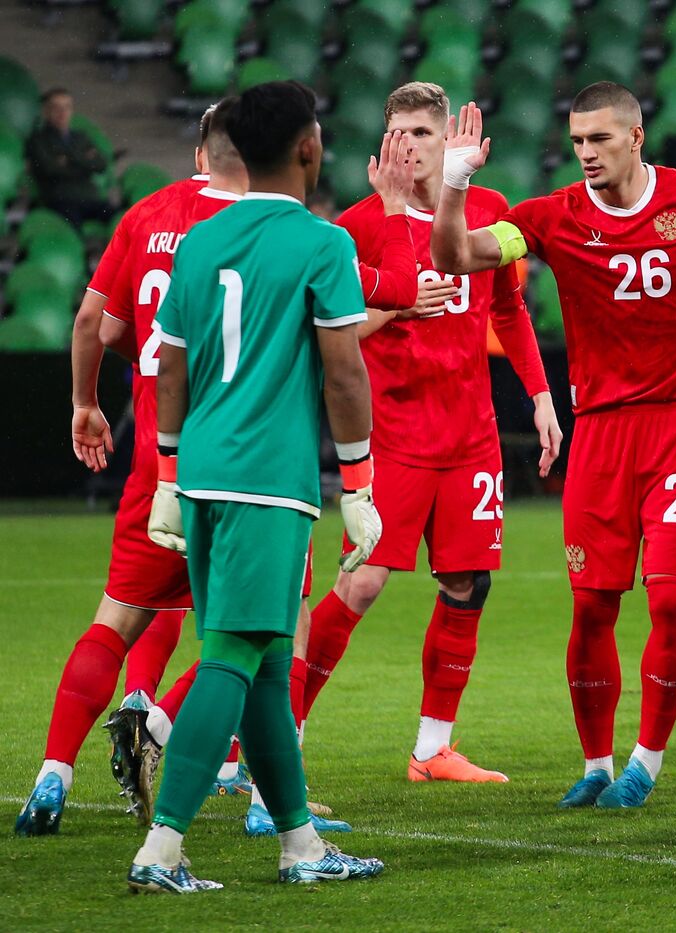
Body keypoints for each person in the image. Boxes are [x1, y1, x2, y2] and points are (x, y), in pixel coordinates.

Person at [431, 81, 676, 809]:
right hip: (600, 431)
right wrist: (453, 183)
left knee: (668, 600)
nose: (586, 154)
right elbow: (456, 256)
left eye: (599, 139)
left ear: (636, 137)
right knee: (592, 605)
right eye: (576, 142)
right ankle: (598, 764)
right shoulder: (550, 216)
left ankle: (647, 762)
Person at [126, 80, 385, 893]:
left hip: (202, 471)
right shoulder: (322, 243)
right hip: (269, 481)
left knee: (270, 663)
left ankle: (300, 843)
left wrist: (168, 470)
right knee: (232, 657)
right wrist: (362, 481)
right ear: (308, 148)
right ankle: (161, 849)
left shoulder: (199, 241)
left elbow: (170, 361)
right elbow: (343, 370)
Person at [301, 81, 560, 784]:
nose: (409, 146)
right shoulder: (354, 227)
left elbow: (509, 311)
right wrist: (399, 307)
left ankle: (432, 748)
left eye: (423, 132)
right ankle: (276, 734)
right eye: (399, 133)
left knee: (467, 585)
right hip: (392, 434)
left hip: (470, 434)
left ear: (450, 139)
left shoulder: (490, 212)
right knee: (364, 583)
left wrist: (538, 393)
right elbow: (338, 332)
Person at [15, 100, 248, 838]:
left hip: (157, 458)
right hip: (242, 465)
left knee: (116, 618)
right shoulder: (270, 223)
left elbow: (95, 323)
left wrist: (87, 403)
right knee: (266, 637)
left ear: (199, 153)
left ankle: (52, 774)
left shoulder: (148, 214)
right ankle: (171, 732)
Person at [25, 88, 115, 227]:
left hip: (91, 199)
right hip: (60, 200)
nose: (62, 113)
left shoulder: (81, 137)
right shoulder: (38, 140)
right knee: (71, 223)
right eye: (56, 108)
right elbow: (50, 169)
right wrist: (85, 162)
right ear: (46, 111)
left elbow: (101, 164)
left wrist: (69, 158)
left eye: (67, 107)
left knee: (125, 220)